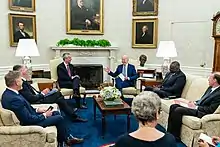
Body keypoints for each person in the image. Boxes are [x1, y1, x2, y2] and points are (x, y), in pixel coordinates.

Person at [1, 71, 84, 147]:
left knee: (56, 113)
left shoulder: (10, 93)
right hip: (29, 124)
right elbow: (28, 119)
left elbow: (25, 108)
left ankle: (66, 139)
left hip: (32, 116)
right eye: (20, 80)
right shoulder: (14, 99)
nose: (22, 81)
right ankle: (65, 142)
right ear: (17, 82)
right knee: (59, 118)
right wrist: (44, 115)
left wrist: (37, 110)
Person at [13, 65, 87, 122]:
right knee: (58, 93)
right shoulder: (21, 83)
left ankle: (72, 115)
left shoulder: (23, 81)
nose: (27, 70)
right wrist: (42, 94)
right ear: (21, 71)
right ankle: (72, 114)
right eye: (25, 69)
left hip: (39, 97)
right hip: (37, 101)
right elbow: (31, 98)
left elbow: (33, 93)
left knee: (59, 98)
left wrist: (41, 92)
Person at [167, 72, 220, 142]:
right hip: (197, 107)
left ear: (215, 80)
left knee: (178, 110)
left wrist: (195, 107)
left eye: (210, 78)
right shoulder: (210, 88)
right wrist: (194, 103)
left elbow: (210, 110)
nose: (208, 79)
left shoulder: (218, 94)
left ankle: (175, 136)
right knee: (173, 106)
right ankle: (169, 133)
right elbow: (202, 99)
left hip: (203, 112)